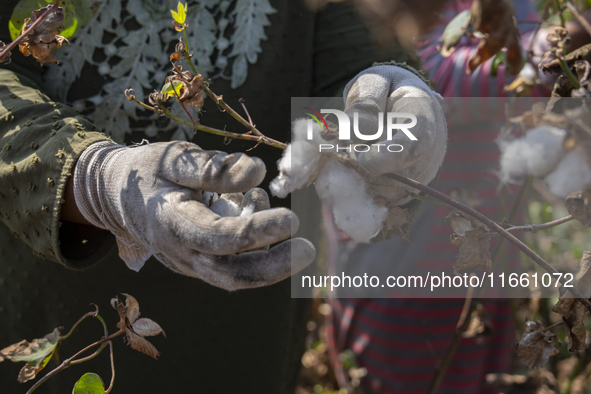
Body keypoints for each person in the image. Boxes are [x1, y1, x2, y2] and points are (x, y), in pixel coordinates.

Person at [0, 0, 446, 392]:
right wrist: (94, 180)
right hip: (50, 306)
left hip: (243, 332)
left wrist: (386, 91)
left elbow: (350, 46)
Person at [324, 0, 591, 393]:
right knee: (408, 377)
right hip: (406, 277)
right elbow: (437, 80)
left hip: (487, 261)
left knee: (480, 374)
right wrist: (553, 46)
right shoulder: (399, 14)